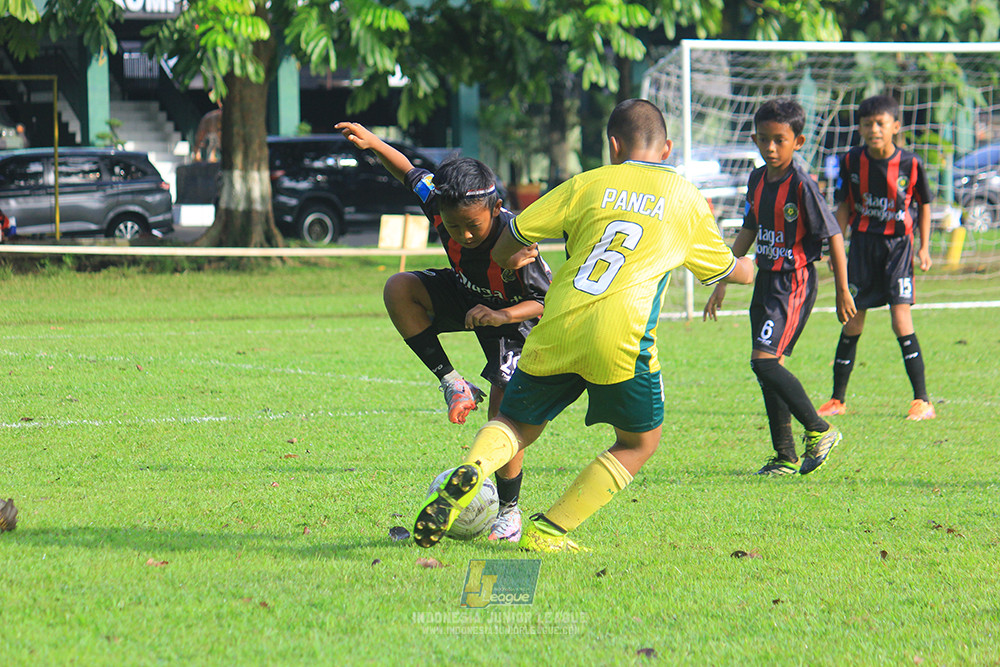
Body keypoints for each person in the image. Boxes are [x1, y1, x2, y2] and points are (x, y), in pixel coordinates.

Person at [412, 99, 755, 553]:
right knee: (638, 442)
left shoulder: (587, 184)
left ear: (613, 145)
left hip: (557, 321)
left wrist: (512, 255)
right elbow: (731, 271)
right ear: (667, 147)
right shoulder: (685, 197)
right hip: (621, 335)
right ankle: (550, 530)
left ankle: (475, 468)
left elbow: (510, 239)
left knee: (514, 423)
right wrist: (755, 263)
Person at [336, 121, 552, 542]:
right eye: (455, 228)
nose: (465, 235)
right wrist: (375, 142)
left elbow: (546, 304)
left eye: (474, 225)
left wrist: (500, 317)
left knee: (504, 418)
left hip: (514, 322)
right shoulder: (441, 201)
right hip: (466, 297)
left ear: (495, 208)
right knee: (400, 288)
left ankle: (508, 511)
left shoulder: (517, 239)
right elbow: (408, 172)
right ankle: (454, 383)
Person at [704, 99, 856, 476]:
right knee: (768, 365)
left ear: (797, 141)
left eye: (780, 141)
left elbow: (834, 236)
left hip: (794, 282)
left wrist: (842, 289)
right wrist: (723, 279)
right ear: (755, 138)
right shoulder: (757, 180)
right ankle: (785, 457)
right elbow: (749, 230)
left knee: (764, 361)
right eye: (764, 140)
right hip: (766, 281)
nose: (771, 148)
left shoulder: (802, 185)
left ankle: (820, 430)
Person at [816, 95, 936, 421]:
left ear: (895, 126)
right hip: (863, 246)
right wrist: (834, 246)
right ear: (860, 128)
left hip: (898, 248)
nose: (874, 129)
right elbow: (843, 204)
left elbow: (924, 204)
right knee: (852, 321)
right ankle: (837, 400)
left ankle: (922, 401)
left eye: (880, 123)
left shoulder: (911, 164)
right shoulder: (852, 161)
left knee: (901, 322)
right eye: (867, 124)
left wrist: (924, 247)